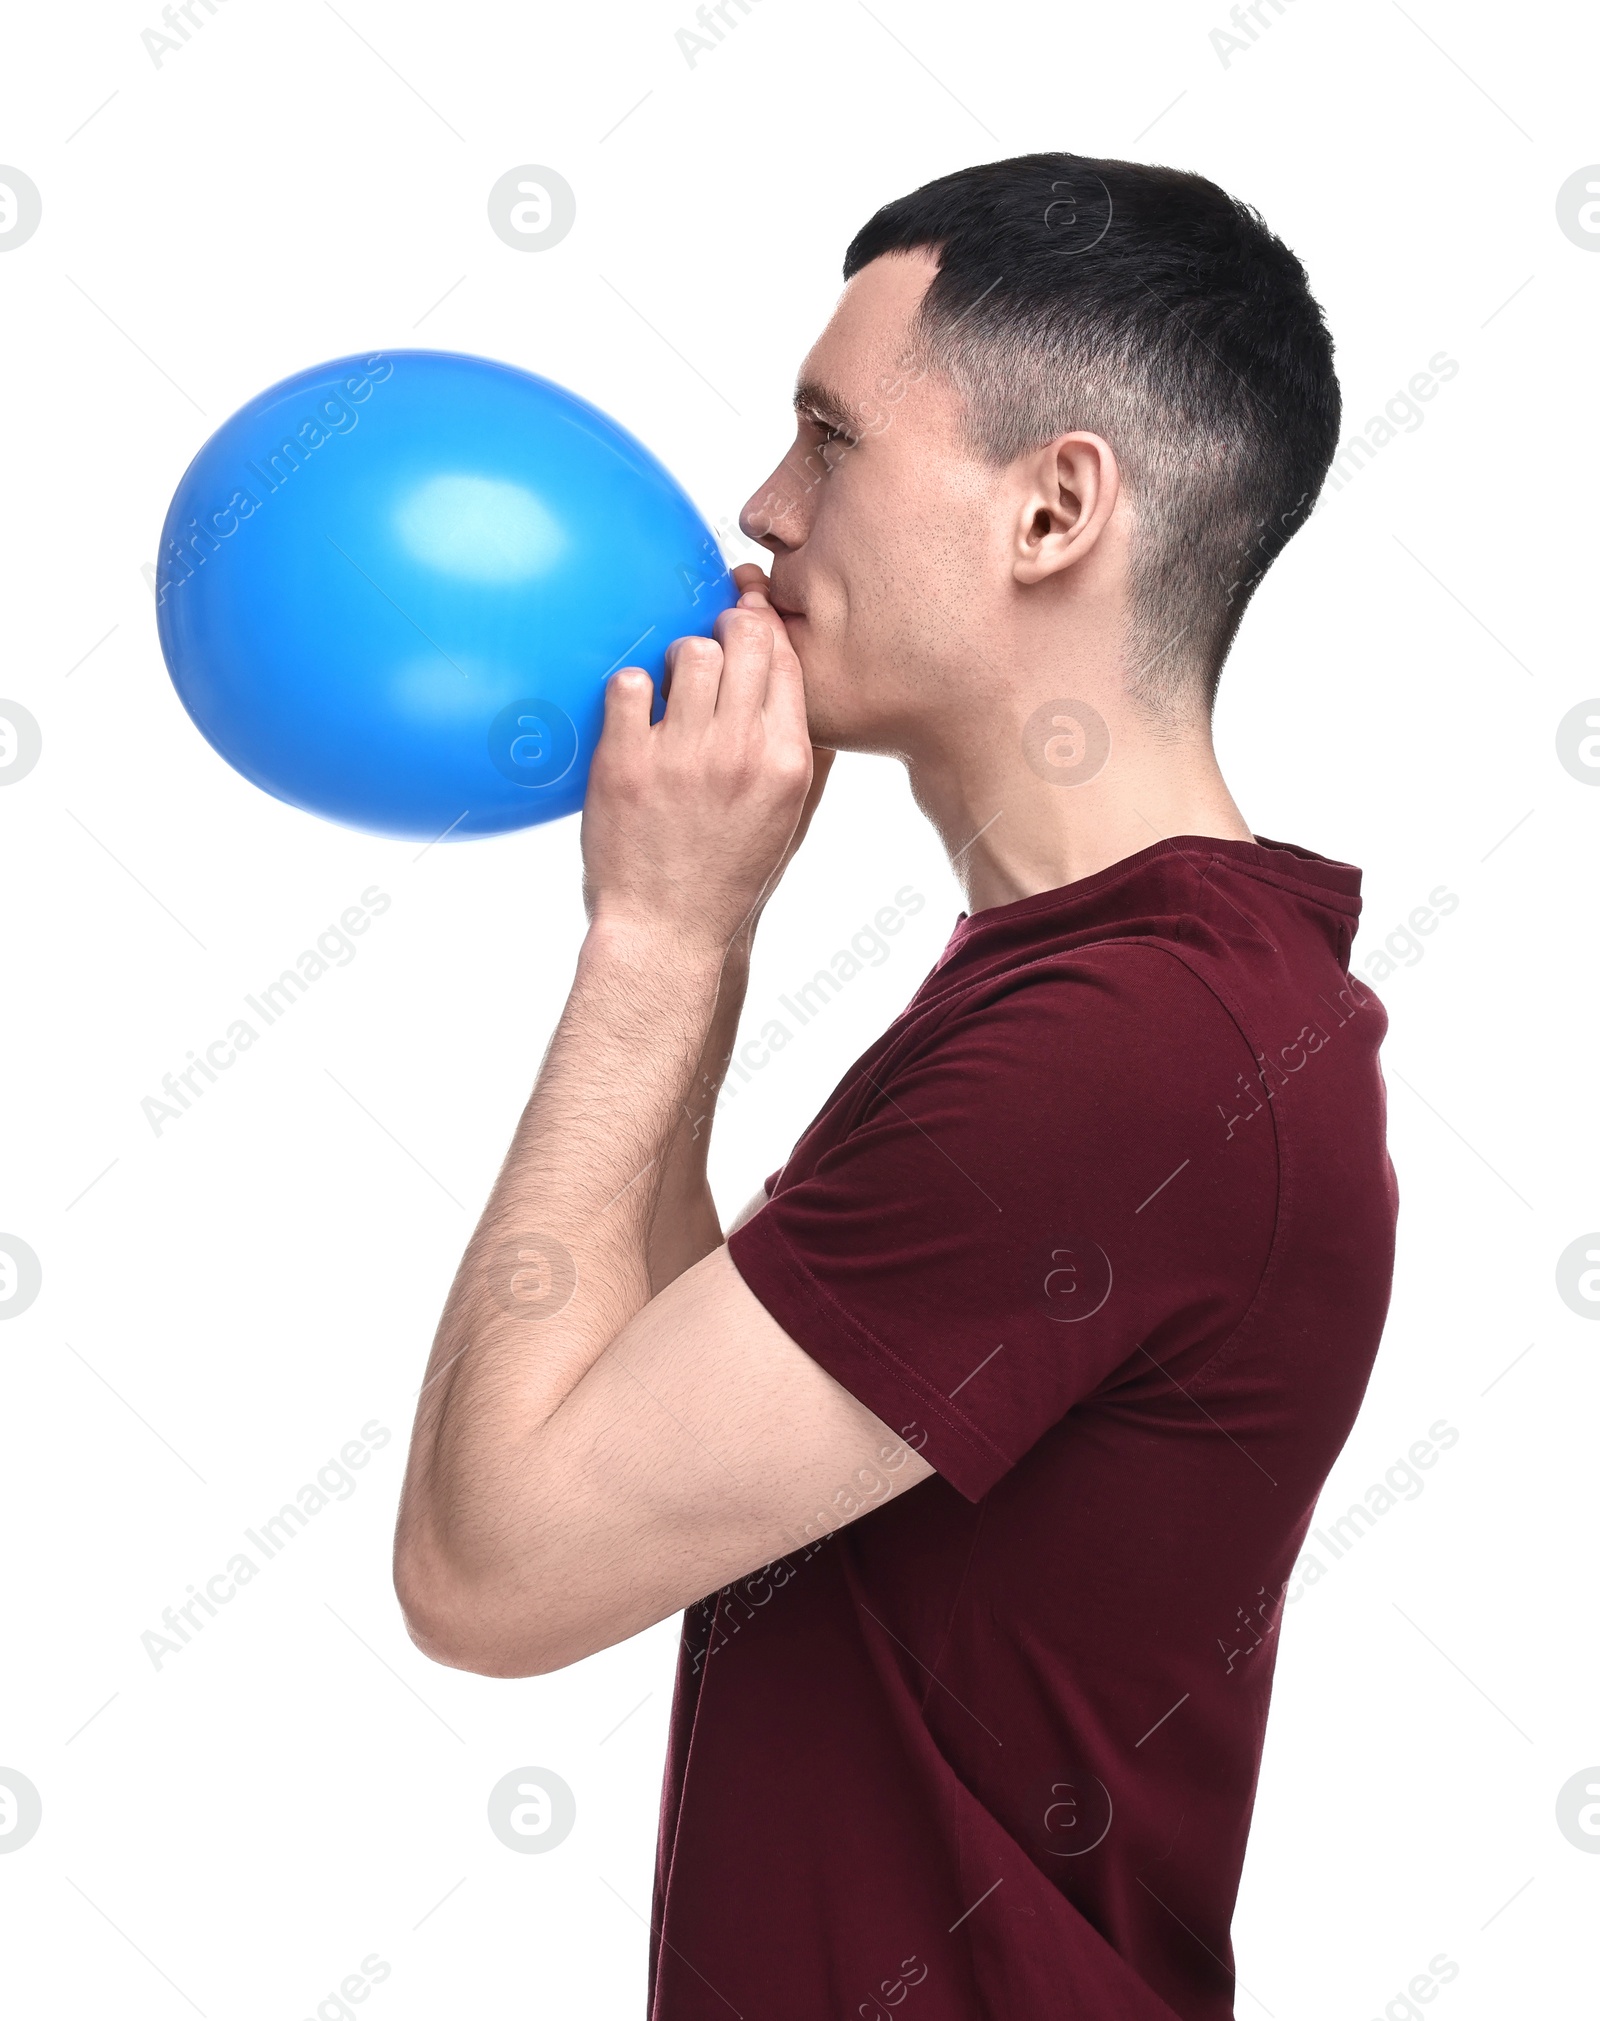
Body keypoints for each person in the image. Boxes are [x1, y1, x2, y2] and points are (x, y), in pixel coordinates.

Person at [393, 152, 1399, 2020]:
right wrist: (699, 930)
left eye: (829, 438)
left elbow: (493, 1566)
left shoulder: (1132, 1057)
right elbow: (640, 1426)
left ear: (1053, 511)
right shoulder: (1127, 1002)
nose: (762, 511)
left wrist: (658, 942)